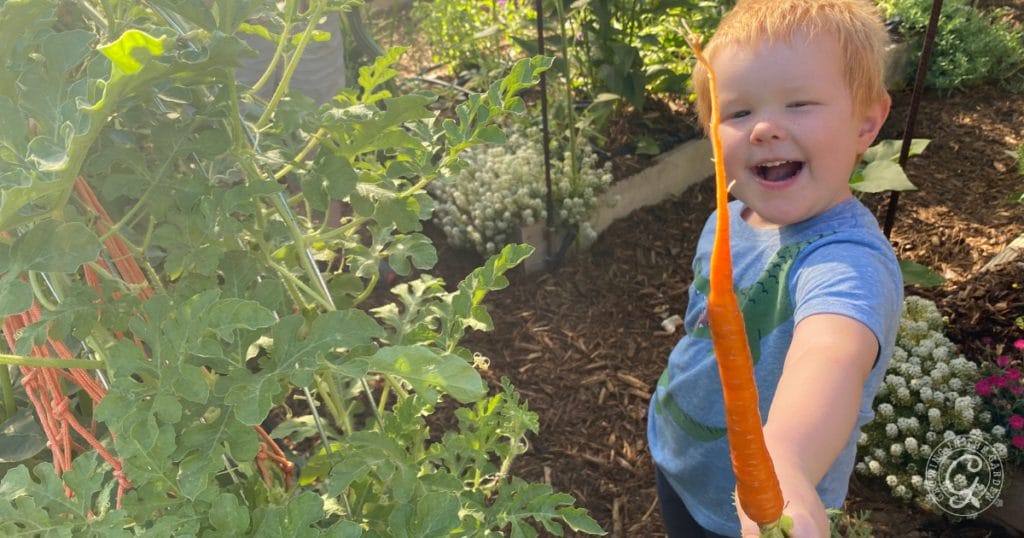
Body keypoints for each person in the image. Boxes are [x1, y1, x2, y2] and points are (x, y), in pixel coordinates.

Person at [646, 0, 903, 536]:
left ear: (866, 121)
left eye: (799, 103)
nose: (763, 128)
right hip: (678, 453)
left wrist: (784, 466)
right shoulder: (727, 219)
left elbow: (829, 355)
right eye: (738, 113)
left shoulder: (847, 260)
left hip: (754, 512)